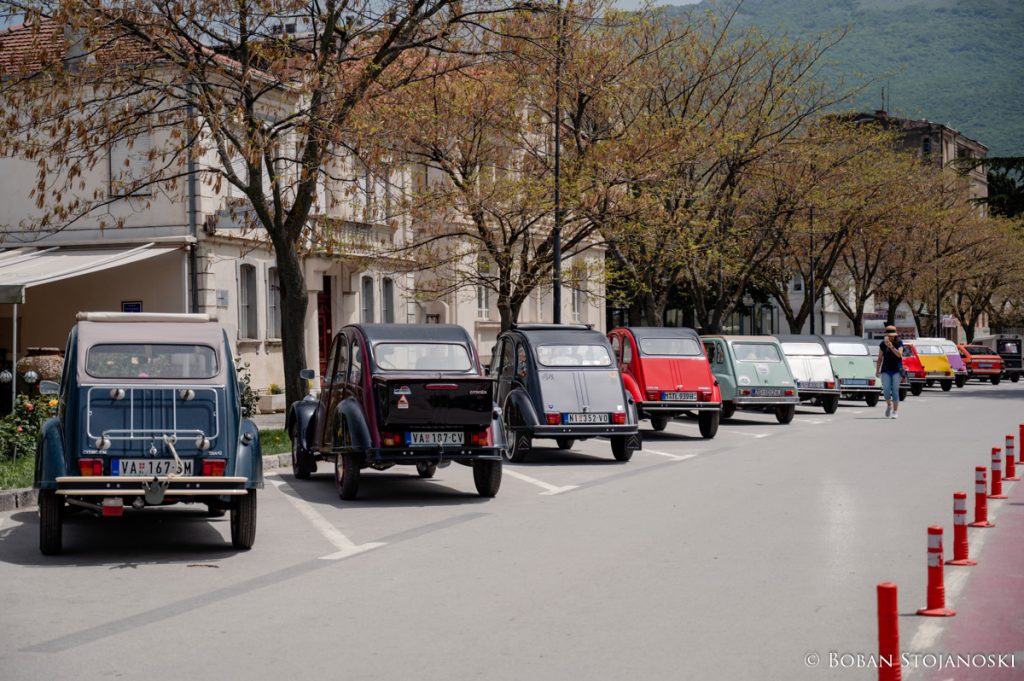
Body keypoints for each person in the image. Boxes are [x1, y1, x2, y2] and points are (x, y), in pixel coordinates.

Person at [875, 326, 904, 419]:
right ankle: (889, 405)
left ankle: (895, 411)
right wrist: (877, 370)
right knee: (886, 391)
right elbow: (880, 358)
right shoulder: (883, 344)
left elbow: (899, 355)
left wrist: (891, 347)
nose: (891, 337)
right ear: (886, 335)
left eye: (892, 335)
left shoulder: (899, 343)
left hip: (896, 370)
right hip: (886, 370)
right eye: (889, 335)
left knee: (895, 391)